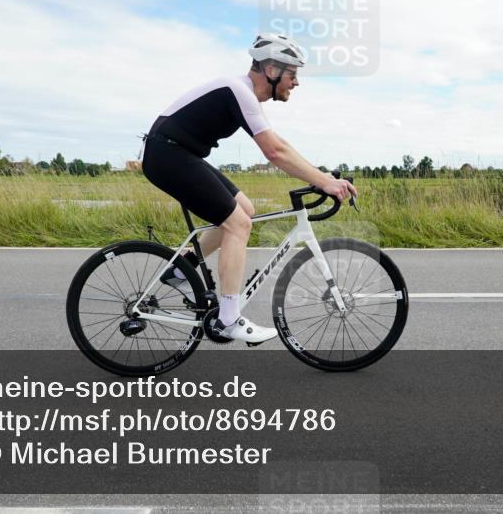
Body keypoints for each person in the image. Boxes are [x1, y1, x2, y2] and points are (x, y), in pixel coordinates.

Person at [141, 33, 357, 344]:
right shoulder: (238, 89)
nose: (296, 83)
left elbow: (280, 145)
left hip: (179, 153)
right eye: (292, 74)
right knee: (238, 224)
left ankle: (180, 269)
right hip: (167, 155)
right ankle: (228, 319)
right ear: (271, 70)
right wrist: (324, 182)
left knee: (246, 211)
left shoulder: (243, 94)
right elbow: (274, 152)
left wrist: (320, 176)